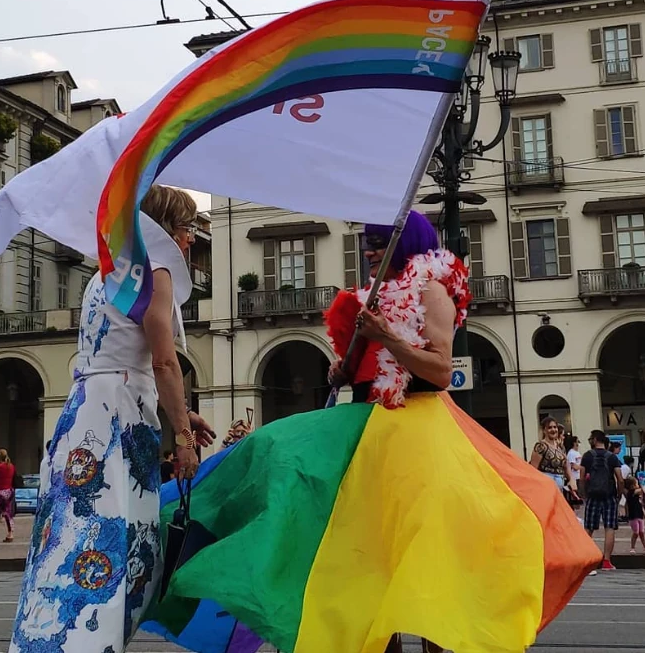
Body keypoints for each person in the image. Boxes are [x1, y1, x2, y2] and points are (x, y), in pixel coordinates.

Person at [144, 217, 601, 653]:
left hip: (417, 430)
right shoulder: (374, 297)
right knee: (281, 466)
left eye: (381, 244)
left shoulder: (432, 291)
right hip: (363, 430)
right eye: (368, 244)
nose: (371, 252)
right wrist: (343, 368)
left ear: (405, 245)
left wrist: (389, 337)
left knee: (422, 553)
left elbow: (441, 371)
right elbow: (362, 369)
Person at [9, 186, 216, 652]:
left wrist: (185, 412)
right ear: (165, 230)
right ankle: (93, 641)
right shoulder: (155, 272)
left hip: (85, 409)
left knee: (69, 533)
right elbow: (162, 363)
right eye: (185, 230)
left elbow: (121, 352)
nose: (188, 242)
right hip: (121, 415)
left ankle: (47, 638)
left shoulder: (106, 273)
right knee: (121, 535)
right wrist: (182, 434)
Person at [581, 430, 624, 572]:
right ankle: (606, 561)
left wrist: (583, 494)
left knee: (588, 528)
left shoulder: (587, 456)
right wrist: (618, 494)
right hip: (609, 496)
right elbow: (620, 478)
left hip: (593, 495)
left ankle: (586, 561)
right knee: (609, 528)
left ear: (595, 439)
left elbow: (582, 478)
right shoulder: (612, 457)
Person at [529, 417, 578, 498]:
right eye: (549, 427)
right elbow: (533, 470)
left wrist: (571, 480)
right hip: (545, 489)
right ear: (544, 430)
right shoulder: (540, 446)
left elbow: (566, 465)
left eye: (555, 427)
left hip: (559, 489)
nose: (553, 430)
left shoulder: (560, 447)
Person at [624, 477, 645, 554]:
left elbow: (641, 504)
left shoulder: (637, 494)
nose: (638, 485)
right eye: (636, 483)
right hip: (633, 516)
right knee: (636, 532)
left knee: (642, 532)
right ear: (632, 486)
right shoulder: (631, 493)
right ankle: (632, 547)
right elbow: (640, 490)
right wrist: (642, 484)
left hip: (639, 515)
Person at [566, 435, 584, 499]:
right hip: (575, 477)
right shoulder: (571, 453)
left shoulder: (577, 453)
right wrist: (582, 467)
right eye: (577, 442)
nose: (578, 444)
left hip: (579, 476)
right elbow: (573, 466)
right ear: (574, 443)